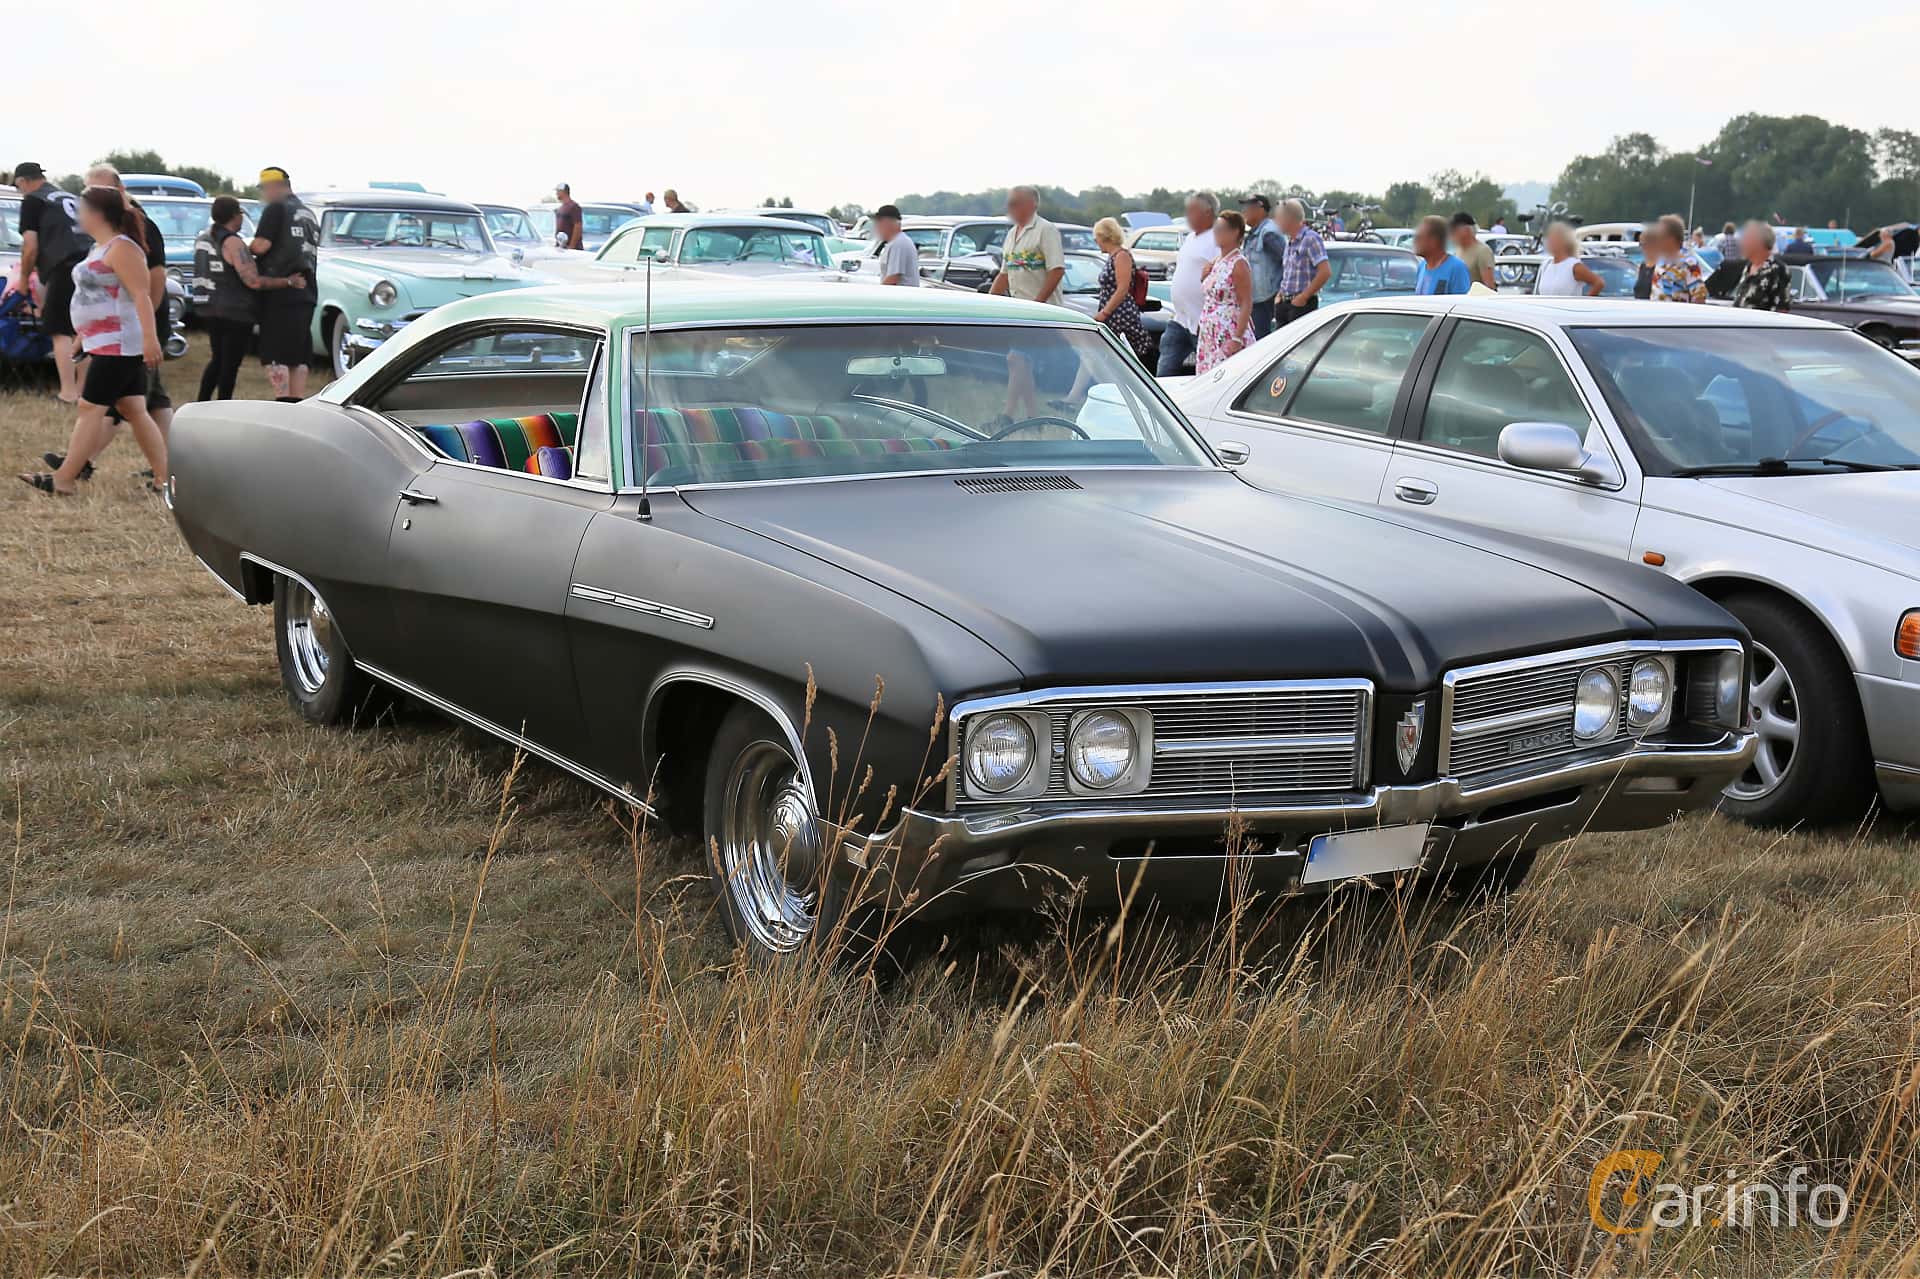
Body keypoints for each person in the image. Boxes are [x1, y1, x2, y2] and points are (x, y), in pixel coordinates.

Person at [18, 187, 167, 496]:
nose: (78, 217)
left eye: (82, 210)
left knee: (89, 408)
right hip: (104, 341)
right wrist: (82, 336)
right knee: (134, 409)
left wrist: (151, 339)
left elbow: (141, 295)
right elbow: (93, 297)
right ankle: (165, 479)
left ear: (98, 213)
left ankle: (64, 479)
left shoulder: (124, 248)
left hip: (120, 344)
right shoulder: (99, 247)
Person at [193, 196, 307, 399]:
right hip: (234, 312)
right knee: (229, 365)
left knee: (217, 360)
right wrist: (288, 281)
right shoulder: (233, 242)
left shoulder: (203, 238)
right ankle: (223, 405)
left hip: (209, 307)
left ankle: (201, 402)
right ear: (235, 216)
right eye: (241, 215)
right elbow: (253, 281)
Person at [5, 162, 87, 404]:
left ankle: (69, 393)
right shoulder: (68, 196)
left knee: (59, 330)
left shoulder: (33, 200)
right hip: (90, 264)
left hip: (64, 267)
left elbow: (30, 247)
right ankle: (84, 390)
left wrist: (23, 280)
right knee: (84, 329)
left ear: (22, 181)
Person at [988, 185, 1066, 419]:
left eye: (1014, 203)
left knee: (1016, 359)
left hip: (1039, 312)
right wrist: (987, 302)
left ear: (1031, 204)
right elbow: (1004, 274)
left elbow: (1057, 269)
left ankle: (1007, 415)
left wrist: (1038, 304)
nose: (1009, 208)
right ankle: (1033, 416)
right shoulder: (1012, 234)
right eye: (1009, 203)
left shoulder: (1045, 230)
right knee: (1021, 364)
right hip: (1018, 310)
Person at [248, 167, 319, 401]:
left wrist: (242, 250)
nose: (263, 194)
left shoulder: (276, 208)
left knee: (276, 354)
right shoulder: (308, 213)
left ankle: (282, 401)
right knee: (298, 354)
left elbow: (261, 246)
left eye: (263, 189)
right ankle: (296, 402)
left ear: (274, 186)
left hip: (281, 291)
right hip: (306, 290)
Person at [1156, 192, 1220, 375]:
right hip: (1180, 320)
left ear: (1207, 212)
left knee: (1208, 372)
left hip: (1202, 321)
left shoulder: (1217, 238)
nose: (1188, 215)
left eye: (1193, 210)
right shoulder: (1191, 237)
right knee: (1164, 372)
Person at [1196, 211, 1254, 374]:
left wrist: (1237, 338)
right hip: (1210, 332)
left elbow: (1246, 302)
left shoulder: (1238, 263)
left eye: (1220, 229)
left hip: (1227, 330)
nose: (1216, 233)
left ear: (1234, 232)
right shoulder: (1217, 261)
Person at [1087, 217, 1152, 362]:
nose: (1095, 241)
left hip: (1120, 315)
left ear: (1104, 236)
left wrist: (1104, 313)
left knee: (1125, 353)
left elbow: (1122, 288)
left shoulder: (1121, 256)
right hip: (1113, 313)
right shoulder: (1112, 256)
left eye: (1096, 237)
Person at [1274, 198, 1330, 327]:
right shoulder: (1290, 241)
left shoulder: (1310, 238)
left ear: (1288, 218)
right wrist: (1279, 296)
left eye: (1278, 218)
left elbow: (1325, 272)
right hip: (1284, 304)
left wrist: (1304, 297)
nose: (1276, 222)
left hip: (1301, 306)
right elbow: (1288, 273)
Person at [1240, 195, 1286, 338]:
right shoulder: (1254, 233)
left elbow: (1287, 261)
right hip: (1256, 299)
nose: (1244, 212)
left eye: (1248, 208)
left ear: (1260, 209)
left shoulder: (1268, 233)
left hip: (1266, 300)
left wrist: (1280, 293)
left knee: (1260, 343)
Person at [1730, 220, 1790, 312]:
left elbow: (1782, 309)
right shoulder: (1748, 267)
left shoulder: (1778, 269)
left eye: (1747, 240)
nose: (1742, 243)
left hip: (1761, 325)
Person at [1646, 217, 1707, 303]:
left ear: (1671, 238)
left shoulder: (1689, 263)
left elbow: (1699, 297)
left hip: (1678, 315)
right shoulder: (1660, 261)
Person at [1535, 222, 1603, 296]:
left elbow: (1598, 282)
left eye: (1554, 239)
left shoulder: (1573, 266)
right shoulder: (1546, 265)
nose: (1550, 242)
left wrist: (1585, 303)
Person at [1412, 215, 1473, 295]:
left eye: (1419, 237)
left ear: (1433, 241)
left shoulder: (1456, 268)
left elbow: (1463, 304)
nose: (1414, 241)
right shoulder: (1422, 266)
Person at [870, 204, 918, 285]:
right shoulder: (897, 242)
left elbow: (893, 277)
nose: (876, 227)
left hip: (901, 296)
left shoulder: (899, 243)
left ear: (887, 223)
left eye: (878, 222)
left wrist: (878, 293)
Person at [1449, 212, 1497, 289]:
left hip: (1474, 299)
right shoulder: (1457, 250)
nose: (1451, 234)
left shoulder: (1483, 251)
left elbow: (1489, 286)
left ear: (1466, 230)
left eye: (1454, 230)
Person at [552, 183, 583, 250]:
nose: (556, 193)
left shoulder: (574, 207)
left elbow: (578, 226)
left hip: (571, 249)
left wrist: (572, 246)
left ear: (563, 191)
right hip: (561, 247)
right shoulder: (561, 208)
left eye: (557, 191)